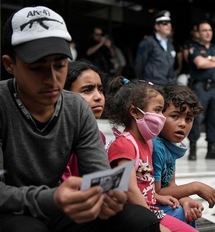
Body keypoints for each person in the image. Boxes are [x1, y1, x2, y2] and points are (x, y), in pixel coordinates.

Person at [0, 6, 160, 232]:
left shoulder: (76, 107)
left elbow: (100, 176)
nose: (52, 79)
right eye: (37, 68)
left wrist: (106, 197)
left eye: (60, 65)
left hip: (58, 209)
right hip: (11, 212)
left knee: (140, 220)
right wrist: (52, 198)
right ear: (9, 65)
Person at [105, 77, 198, 232]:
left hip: (149, 211)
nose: (162, 116)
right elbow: (130, 189)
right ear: (135, 112)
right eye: (158, 110)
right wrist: (153, 223)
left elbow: (144, 184)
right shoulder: (124, 145)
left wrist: (158, 197)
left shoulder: (147, 143)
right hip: (135, 217)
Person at [152, 84, 215, 228]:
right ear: (159, 115)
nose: (182, 124)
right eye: (175, 116)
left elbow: (170, 185)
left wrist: (185, 200)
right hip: (147, 205)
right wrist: (196, 187)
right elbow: (157, 191)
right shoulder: (156, 147)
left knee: (188, 211)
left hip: (160, 201)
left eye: (188, 119)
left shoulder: (170, 145)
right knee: (181, 214)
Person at [187, 20, 215, 161]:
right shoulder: (194, 48)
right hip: (201, 87)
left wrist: (210, 59)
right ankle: (193, 147)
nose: (208, 33)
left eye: (210, 30)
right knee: (197, 117)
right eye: (204, 30)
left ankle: (211, 149)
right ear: (198, 33)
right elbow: (200, 63)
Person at [61, 59, 107, 181]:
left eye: (100, 89)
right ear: (65, 94)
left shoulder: (99, 136)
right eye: (87, 90)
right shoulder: (58, 136)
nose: (98, 97)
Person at [134, 10, 177, 86]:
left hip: (167, 86)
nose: (169, 25)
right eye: (165, 23)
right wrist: (142, 84)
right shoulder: (147, 42)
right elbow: (139, 65)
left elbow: (171, 68)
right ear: (157, 26)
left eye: (169, 23)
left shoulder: (170, 44)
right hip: (152, 85)